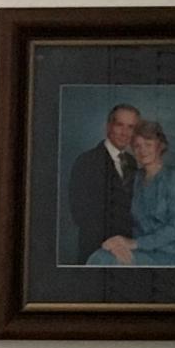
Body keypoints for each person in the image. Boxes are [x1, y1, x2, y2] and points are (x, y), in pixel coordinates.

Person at [87, 120, 175, 268]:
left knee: (107, 261)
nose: (142, 150)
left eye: (148, 144)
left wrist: (134, 244)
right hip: (141, 250)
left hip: (172, 253)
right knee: (101, 256)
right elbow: (124, 219)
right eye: (137, 146)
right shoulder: (135, 178)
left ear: (160, 146)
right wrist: (116, 243)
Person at [66, 102, 142, 266]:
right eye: (120, 125)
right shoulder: (87, 161)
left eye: (131, 127)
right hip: (97, 250)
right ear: (108, 127)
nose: (125, 133)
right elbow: (80, 213)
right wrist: (112, 243)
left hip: (127, 250)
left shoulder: (131, 162)